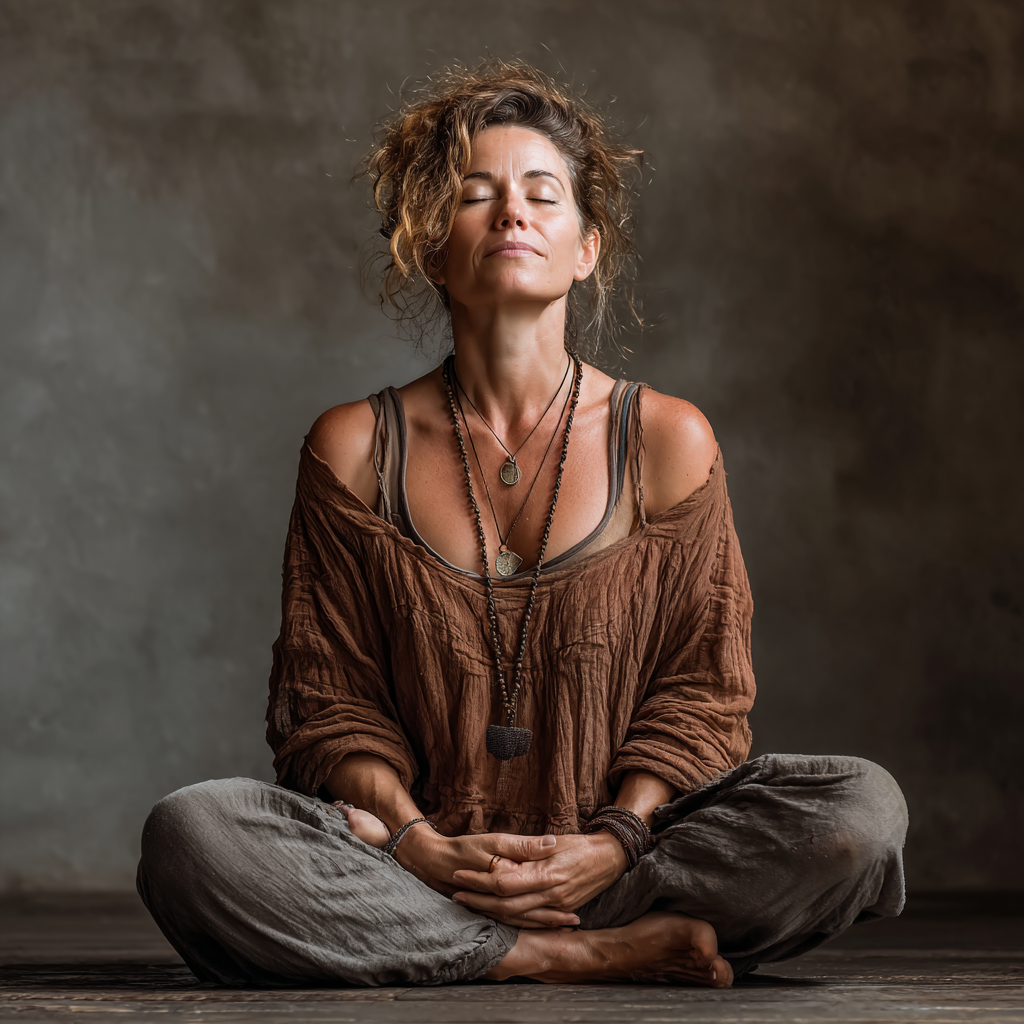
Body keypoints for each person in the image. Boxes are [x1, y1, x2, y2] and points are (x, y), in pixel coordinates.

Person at [137, 61, 908, 989]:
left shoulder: (667, 438)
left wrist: (617, 841)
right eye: (476, 195)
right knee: (192, 834)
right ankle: (560, 957)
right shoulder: (353, 446)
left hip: (621, 864)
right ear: (431, 249)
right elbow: (326, 698)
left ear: (586, 247)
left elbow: (704, 690)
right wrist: (421, 846)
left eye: (543, 194)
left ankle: (475, 950)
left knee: (861, 811)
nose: (512, 213)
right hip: (409, 871)